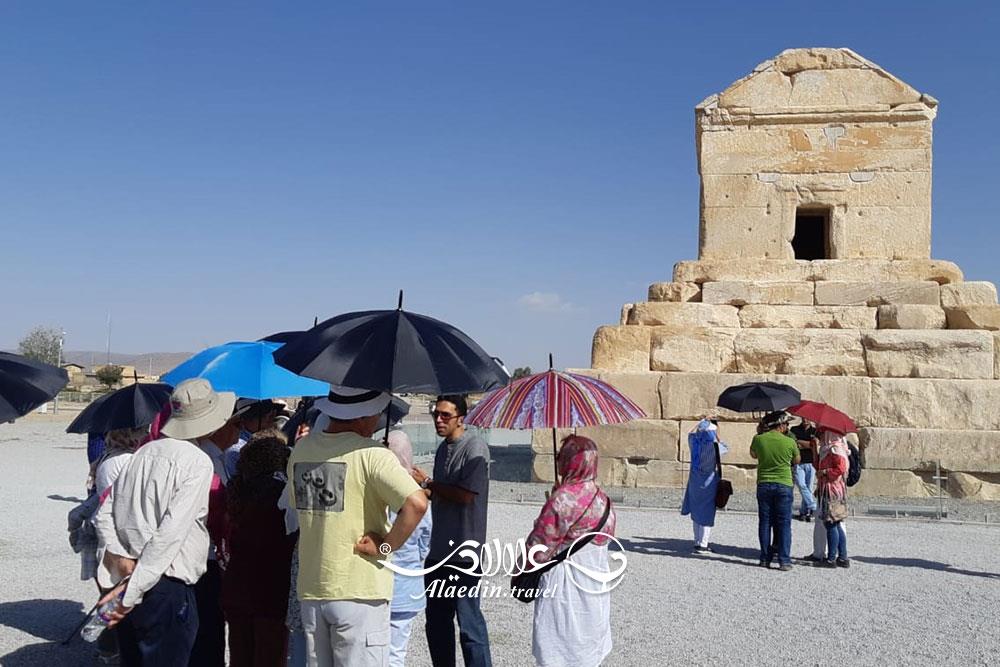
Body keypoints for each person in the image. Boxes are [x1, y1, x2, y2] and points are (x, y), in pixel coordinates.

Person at [94, 378, 231, 666]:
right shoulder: (197, 462)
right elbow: (170, 534)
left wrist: (117, 557)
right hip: (165, 583)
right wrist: (131, 592)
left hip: (132, 572)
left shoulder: (143, 451)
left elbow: (105, 512)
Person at [289, 386, 428, 667]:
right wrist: (387, 545)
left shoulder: (302, 449)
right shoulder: (373, 454)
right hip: (360, 588)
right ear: (364, 416)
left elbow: (297, 505)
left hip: (314, 586)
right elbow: (417, 503)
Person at [411, 395, 493, 667]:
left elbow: (466, 495)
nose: (438, 419)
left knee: (469, 626)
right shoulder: (442, 450)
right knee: (436, 624)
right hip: (438, 552)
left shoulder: (476, 448)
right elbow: (442, 495)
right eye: (436, 414)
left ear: (461, 417)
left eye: (445, 415)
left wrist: (430, 483)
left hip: (464, 553)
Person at [523, 435, 616, 667]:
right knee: (586, 648)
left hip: (565, 587)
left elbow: (539, 547)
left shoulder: (562, 500)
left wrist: (520, 569)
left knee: (560, 645)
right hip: (595, 584)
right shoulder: (603, 500)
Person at [223, 429, 298, 666]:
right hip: (271, 587)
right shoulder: (279, 493)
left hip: (237, 584)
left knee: (240, 655)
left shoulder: (237, 488)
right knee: (269, 655)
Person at [191, 401, 243, 667]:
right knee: (207, 626)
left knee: (211, 625)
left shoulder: (217, 459)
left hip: (212, 555)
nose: (238, 430)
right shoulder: (206, 462)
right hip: (206, 557)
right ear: (218, 429)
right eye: (233, 424)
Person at [385, 430, 433, 667]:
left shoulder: (378, 489)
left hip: (378, 584)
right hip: (407, 584)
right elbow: (426, 542)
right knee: (396, 652)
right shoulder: (417, 496)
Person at [749, 410, 799, 571]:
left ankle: (764, 558)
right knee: (784, 523)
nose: (786, 427)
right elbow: (797, 460)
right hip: (784, 483)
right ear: (780, 425)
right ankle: (784, 560)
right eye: (785, 423)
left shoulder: (758, 439)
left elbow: (753, 455)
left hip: (764, 483)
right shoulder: (789, 442)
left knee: (765, 522)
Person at [680, 419, 726, 552]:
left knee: (696, 510)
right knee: (706, 511)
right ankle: (703, 544)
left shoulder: (694, 443)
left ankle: (697, 541)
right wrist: (717, 433)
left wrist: (700, 423)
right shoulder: (714, 447)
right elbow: (725, 446)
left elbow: (690, 433)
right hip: (709, 481)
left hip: (695, 480)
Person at [815, 429, 851, 568]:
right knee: (836, 523)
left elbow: (840, 468)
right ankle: (842, 556)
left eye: (823, 433)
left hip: (832, 489)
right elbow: (817, 466)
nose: (821, 436)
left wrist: (824, 472)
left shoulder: (835, 449)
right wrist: (814, 450)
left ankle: (831, 558)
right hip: (831, 488)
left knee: (831, 523)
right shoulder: (829, 448)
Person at [790, 419, 818, 521]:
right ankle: (813, 506)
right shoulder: (794, 429)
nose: (805, 420)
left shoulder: (815, 431)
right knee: (801, 485)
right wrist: (808, 444)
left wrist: (801, 442)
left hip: (811, 462)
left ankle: (804, 512)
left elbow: (814, 445)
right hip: (799, 462)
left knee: (809, 487)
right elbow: (793, 444)